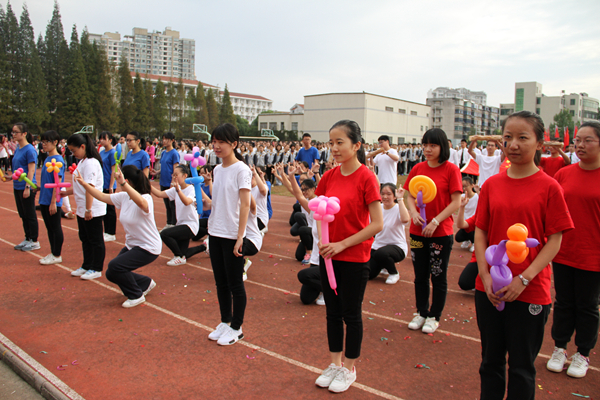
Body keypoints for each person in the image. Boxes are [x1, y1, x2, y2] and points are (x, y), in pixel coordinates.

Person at [474, 111, 573, 399]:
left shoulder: (550, 187)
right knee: (490, 362)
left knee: (521, 367)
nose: (513, 144)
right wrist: (484, 275)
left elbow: (555, 241)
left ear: (540, 143)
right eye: (507, 138)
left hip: (529, 291)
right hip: (490, 288)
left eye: (522, 138)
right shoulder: (492, 184)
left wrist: (524, 280)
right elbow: (481, 232)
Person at [313, 120, 383, 393]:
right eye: (331, 143)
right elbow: (319, 211)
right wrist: (323, 239)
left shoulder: (367, 177)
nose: (334, 148)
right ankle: (334, 363)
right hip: (329, 256)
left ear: (356, 145)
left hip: (354, 258)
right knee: (332, 313)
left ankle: (350, 368)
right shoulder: (329, 177)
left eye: (340, 142)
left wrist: (342, 244)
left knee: (350, 315)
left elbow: (377, 224)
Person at [547, 121, 600, 379]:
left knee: (588, 305)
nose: (579, 144)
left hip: (594, 254)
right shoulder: (564, 174)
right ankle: (559, 348)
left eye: (587, 140)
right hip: (564, 251)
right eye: (577, 140)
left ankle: (583, 353)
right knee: (564, 302)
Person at [75, 164, 161, 308]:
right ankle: (144, 283)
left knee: (115, 266)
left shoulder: (146, 197)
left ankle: (136, 295)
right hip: (133, 245)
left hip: (148, 247)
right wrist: (84, 184)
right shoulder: (123, 196)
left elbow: (141, 203)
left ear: (127, 181)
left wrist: (122, 184)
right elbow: (102, 196)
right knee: (111, 273)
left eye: (120, 180)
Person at [404, 128, 462, 334]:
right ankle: (421, 312)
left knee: (437, 275)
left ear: (442, 146)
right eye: (425, 145)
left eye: (433, 145)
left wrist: (436, 221)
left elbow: (456, 202)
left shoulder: (451, 170)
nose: (427, 149)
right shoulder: (418, 168)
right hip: (417, 231)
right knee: (420, 275)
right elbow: (408, 195)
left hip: (440, 232)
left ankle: (434, 316)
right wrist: (413, 212)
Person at [205, 123, 252, 347]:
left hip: (233, 233)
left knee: (235, 284)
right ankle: (225, 321)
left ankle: (237, 327)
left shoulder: (242, 169)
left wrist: (240, 235)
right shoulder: (217, 169)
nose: (216, 146)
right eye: (214, 141)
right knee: (220, 282)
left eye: (221, 142)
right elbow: (219, 203)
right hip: (216, 231)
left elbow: (245, 205)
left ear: (234, 144)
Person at [64, 133, 107, 281]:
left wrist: (89, 209)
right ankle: (87, 264)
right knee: (85, 237)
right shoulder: (83, 162)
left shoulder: (91, 163)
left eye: (74, 150)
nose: (73, 154)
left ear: (83, 147)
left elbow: (90, 187)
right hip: (83, 207)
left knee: (95, 239)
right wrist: (65, 193)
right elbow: (80, 186)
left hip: (92, 208)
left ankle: (96, 268)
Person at [152, 165, 205, 265]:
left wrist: (178, 190)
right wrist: (146, 185)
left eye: (176, 175)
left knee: (164, 234)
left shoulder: (191, 189)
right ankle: (204, 247)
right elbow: (159, 194)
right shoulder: (176, 189)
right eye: (173, 175)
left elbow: (187, 202)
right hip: (181, 224)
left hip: (190, 226)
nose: (174, 177)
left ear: (185, 176)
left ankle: (178, 256)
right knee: (185, 253)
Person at [368, 183, 410, 284]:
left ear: (394, 196)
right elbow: (369, 226)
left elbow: (405, 220)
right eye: (382, 194)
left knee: (382, 253)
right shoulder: (378, 208)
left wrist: (400, 199)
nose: (385, 197)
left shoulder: (398, 208)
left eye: (388, 194)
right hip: (377, 246)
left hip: (396, 247)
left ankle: (393, 273)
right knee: (368, 274)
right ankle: (384, 265)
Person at [10, 123, 39, 252]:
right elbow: (18, 170)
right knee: (23, 214)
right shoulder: (17, 148)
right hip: (17, 186)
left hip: (26, 186)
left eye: (16, 132)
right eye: (13, 132)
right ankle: (27, 238)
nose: (13, 134)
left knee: (30, 214)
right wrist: (10, 177)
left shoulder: (30, 150)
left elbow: (31, 169)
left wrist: (28, 186)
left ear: (24, 134)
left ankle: (34, 240)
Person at [38, 130, 65, 265]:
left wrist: (54, 201)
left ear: (55, 142)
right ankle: (53, 252)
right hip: (44, 198)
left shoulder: (58, 160)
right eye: (42, 142)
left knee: (55, 227)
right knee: (49, 228)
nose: (43, 145)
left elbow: (58, 183)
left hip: (52, 200)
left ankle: (57, 254)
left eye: (46, 142)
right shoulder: (47, 158)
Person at [152, 132, 179, 231]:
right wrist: (157, 172)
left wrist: (173, 183)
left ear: (172, 140)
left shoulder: (174, 153)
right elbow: (164, 166)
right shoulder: (163, 152)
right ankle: (169, 223)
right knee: (167, 204)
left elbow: (175, 169)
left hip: (170, 182)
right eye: (163, 139)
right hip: (163, 181)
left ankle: (174, 223)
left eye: (167, 139)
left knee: (172, 204)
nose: (164, 141)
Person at [98, 132, 118, 242]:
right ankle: (106, 231)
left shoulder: (112, 153)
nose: (101, 141)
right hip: (102, 183)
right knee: (103, 208)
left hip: (109, 184)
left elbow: (113, 170)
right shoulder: (101, 152)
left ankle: (111, 232)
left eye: (103, 138)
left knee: (110, 209)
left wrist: (111, 185)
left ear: (110, 140)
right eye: (100, 139)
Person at [455, 177, 478, 252]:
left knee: (472, 231)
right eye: (463, 186)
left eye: (466, 186)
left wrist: (478, 192)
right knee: (458, 238)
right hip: (464, 224)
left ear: (472, 185)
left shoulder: (477, 197)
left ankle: (475, 243)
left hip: (474, 224)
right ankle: (468, 240)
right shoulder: (462, 197)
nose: (464, 188)